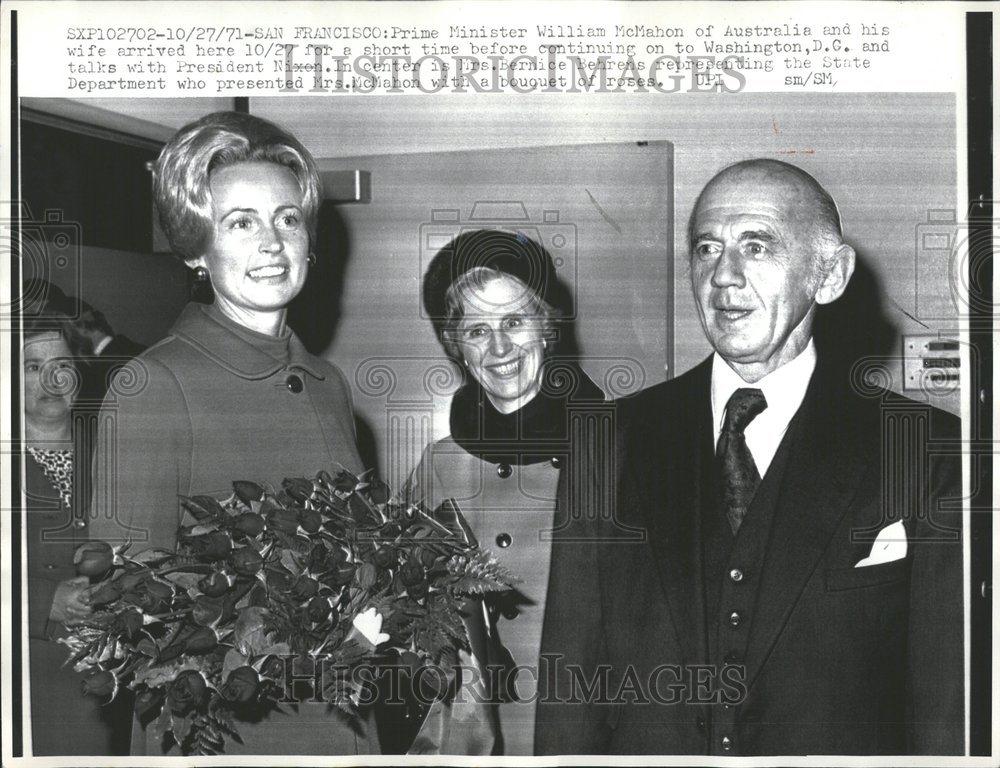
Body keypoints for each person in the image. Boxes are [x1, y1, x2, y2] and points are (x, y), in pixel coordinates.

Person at [537, 159, 964, 755]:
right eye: (706, 248)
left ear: (830, 275)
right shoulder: (606, 440)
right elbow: (570, 692)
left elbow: (947, 714)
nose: (724, 277)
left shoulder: (927, 449)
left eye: (757, 246)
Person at [88, 111, 376, 755]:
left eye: (288, 219)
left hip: (343, 726)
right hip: (224, 738)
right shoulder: (154, 385)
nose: (272, 243)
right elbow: (123, 610)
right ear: (196, 248)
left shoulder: (328, 384)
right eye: (240, 222)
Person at [407, 229, 606, 755]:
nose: (498, 348)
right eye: (476, 330)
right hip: (470, 739)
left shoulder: (616, 451)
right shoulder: (439, 465)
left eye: (515, 322)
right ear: (456, 345)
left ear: (547, 326)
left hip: (583, 729)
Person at [22, 311, 114, 755]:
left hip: (113, 679)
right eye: (32, 367)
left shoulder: (114, 446)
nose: (52, 380)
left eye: (62, 365)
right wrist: (43, 600)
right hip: (27, 682)